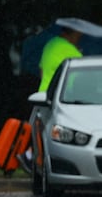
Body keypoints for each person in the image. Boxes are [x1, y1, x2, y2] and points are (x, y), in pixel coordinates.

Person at [17, 28, 83, 174]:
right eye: (78, 35)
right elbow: (79, 79)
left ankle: (30, 157)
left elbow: (41, 70)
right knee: (56, 132)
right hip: (61, 97)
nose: (79, 38)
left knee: (40, 129)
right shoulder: (73, 52)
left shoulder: (50, 44)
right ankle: (33, 158)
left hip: (43, 93)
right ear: (72, 33)